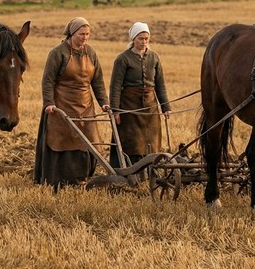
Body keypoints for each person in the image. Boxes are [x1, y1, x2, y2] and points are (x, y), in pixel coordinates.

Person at [33, 17, 110, 189]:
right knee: (63, 141)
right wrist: (49, 103)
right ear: (72, 33)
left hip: (85, 104)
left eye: (87, 34)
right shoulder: (57, 53)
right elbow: (48, 81)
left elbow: (97, 81)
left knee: (89, 142)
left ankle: (83, 177)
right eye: (81, 34)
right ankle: (61, 180)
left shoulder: (91, 53)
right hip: (62, 104)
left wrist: (104, 102)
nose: (85, 38)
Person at [108, 22, 171, 168]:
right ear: (133, 39)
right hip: (129, 106)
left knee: (151, 139)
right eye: (140, 39)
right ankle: (130, 168)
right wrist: (115, 110)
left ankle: (150, 168)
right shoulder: (123, 59)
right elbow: (115, 86)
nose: (144, 42)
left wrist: (165, 107)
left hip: (150, 106)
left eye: (146, 39)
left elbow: (160, 84)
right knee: (132, 139)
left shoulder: (154, 57)